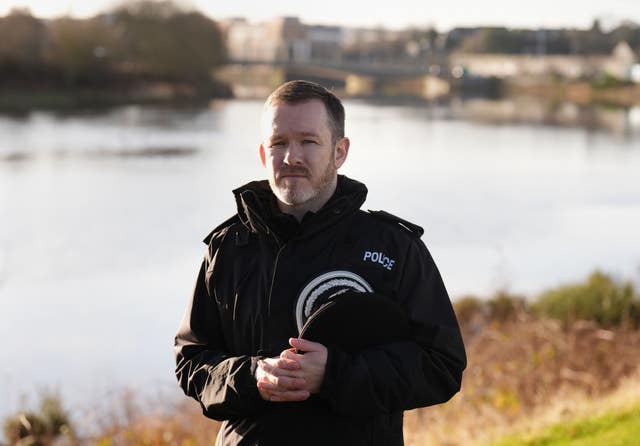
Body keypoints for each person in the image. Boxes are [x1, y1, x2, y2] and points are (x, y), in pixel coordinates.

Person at [174, 80, 466, 446]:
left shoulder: (394, 248)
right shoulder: (228, 248)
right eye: (279, 143)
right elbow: (191, 362)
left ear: (339, 152)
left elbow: (441, 366)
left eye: (308, 142)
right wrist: (252, 376)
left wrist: (334, 374)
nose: (291, 157)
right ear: (264, 155)